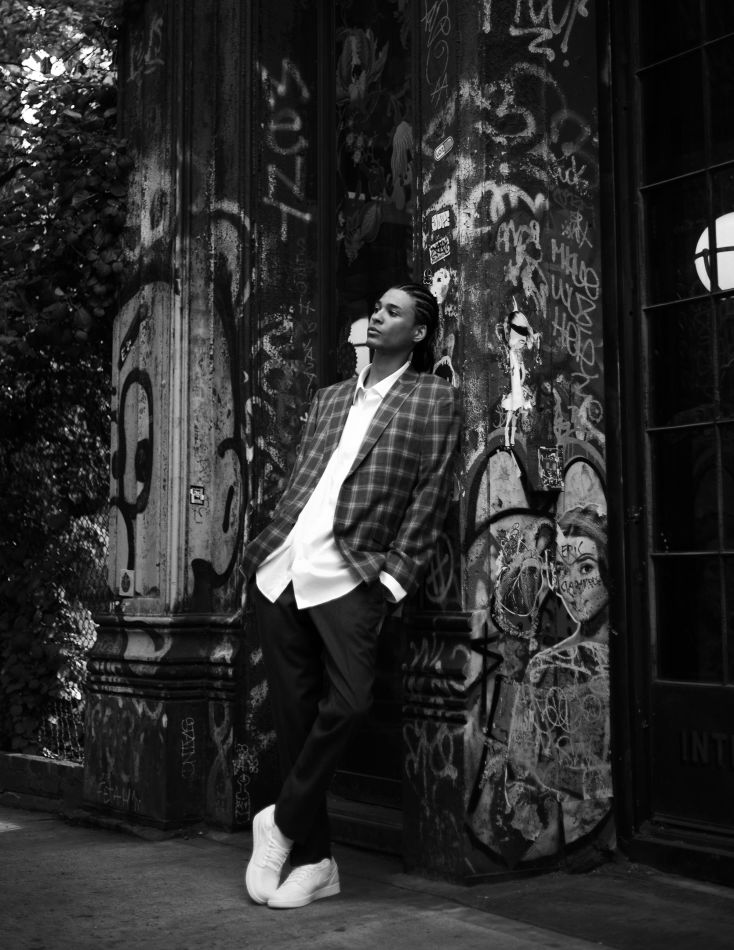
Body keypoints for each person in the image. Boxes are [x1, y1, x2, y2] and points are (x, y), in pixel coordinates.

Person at [241, 282, 460, 909]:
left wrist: (393, 580)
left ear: (419, 332)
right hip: (283, 568)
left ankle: (280, 822)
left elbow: (432, 492)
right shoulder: (331, 397)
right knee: (295, 721)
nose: (378, 316)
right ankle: (315, 861)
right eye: (377, 308)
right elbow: (304, 477)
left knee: (352, 701)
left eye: (394, 311)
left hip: (352, 574)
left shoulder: (433, 398)